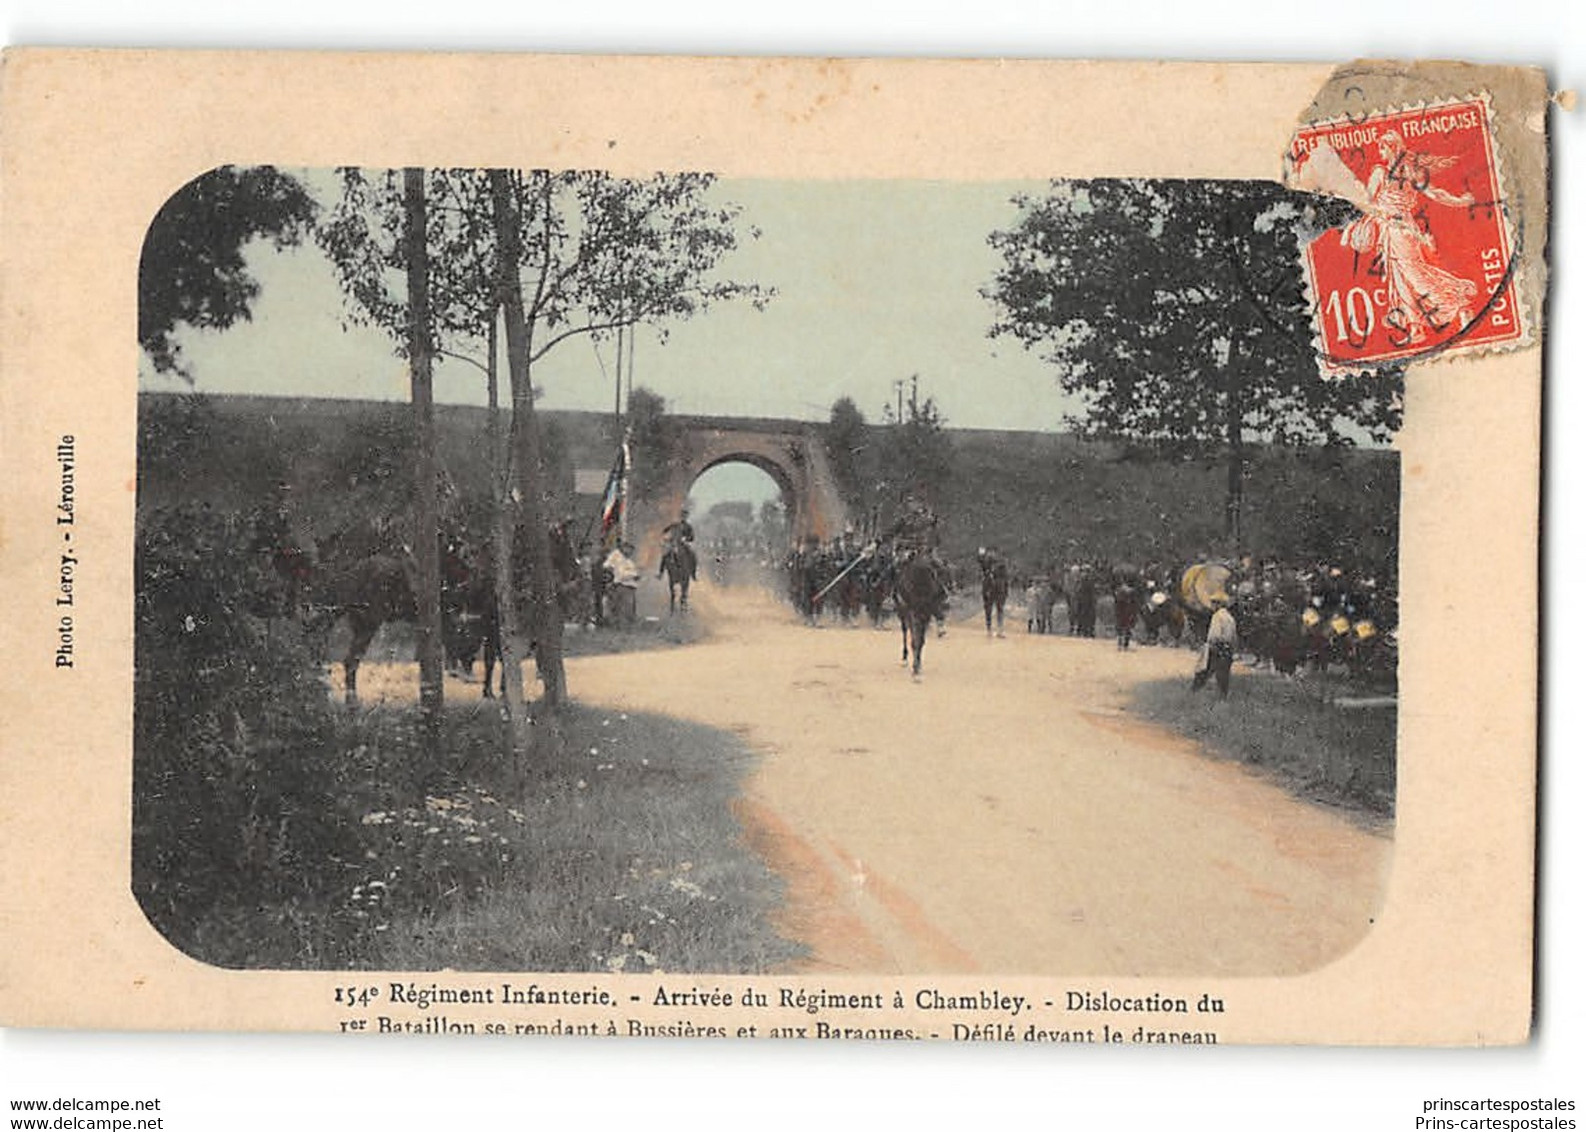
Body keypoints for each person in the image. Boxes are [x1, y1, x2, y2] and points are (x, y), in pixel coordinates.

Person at [1192, 595, 1238, 699]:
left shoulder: (1217, 616)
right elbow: (1234, 636)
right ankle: (1223, 695)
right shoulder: (1229, 617)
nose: (1212, 605)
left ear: (1219, 604)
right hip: (1228, 648)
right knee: (1223, 674)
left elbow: (1215, 634)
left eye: (1214, 603)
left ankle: (1195, 690)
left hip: (1217, 647)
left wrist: (1210, 645)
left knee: (1204, 670)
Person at [603, 540, 640, 628]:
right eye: (629, 549)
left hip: (630, 587)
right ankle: (620, 627)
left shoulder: (629, 562)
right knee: (623, 609)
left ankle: (624, 627)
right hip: (623, 586)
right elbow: (621, 574)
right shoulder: (618, 559)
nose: (631, 551)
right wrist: (634, 575)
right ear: (624, 548)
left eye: (632, 550)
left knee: (628, 609)